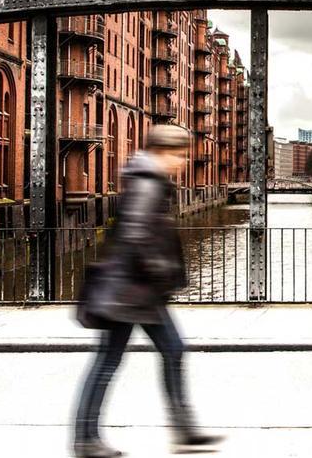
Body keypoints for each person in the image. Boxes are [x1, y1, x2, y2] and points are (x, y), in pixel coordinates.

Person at [73, 124, 221, 457]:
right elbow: (137, 234)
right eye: (179, 155)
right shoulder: (147, 184)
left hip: (139, 291)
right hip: (132, 291)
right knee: (111, 362)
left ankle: (183, 432)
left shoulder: (149, 180)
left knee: (171, 351)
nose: (183, 162)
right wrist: (161, 270)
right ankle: (85, 439)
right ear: (161, 152)